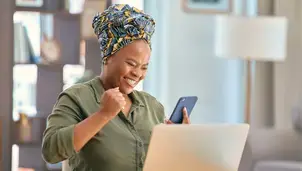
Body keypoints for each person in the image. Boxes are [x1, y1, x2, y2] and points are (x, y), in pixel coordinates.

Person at [41, 4, 190, 171]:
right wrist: (103, 115)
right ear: (108, 57)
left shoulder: (152, 107)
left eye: (144, 67)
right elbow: (51, 152)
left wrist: (177, 141)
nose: (137, 73)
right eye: (131, 64)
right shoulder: (77, 98)